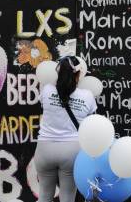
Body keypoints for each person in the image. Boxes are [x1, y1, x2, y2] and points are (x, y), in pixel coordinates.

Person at [34, 56, 98, 202]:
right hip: (72, 152)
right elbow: (91, 123)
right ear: (79, 74)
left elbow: (44, 107)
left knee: (44, 195)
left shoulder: (47, 90)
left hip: (45, 149)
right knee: (68, 197)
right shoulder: (87, 96)